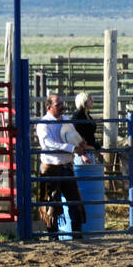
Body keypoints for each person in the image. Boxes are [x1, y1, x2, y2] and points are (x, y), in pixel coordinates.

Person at [35, 94, 89, 234]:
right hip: (51, 167)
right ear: (49, 107)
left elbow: (73, 135)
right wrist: (71, 148)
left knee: (74, 201)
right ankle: (53, 236)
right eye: (58, 105)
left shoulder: (65, 120)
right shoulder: (44, 123)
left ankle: (77, 233)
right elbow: (47, 144)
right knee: (51, 203)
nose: (62, 107)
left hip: (65, 165)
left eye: (62, 104)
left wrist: (79, 144)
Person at [70, 92, 100, 165]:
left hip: (89, 150)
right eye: (90, 99)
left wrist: (97, 147)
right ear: (84, 101)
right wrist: (83, 155)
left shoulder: (88, 116)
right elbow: (76, 136)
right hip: (82, 153)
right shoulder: (78, 116)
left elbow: (90, 135)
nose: (92, 100)